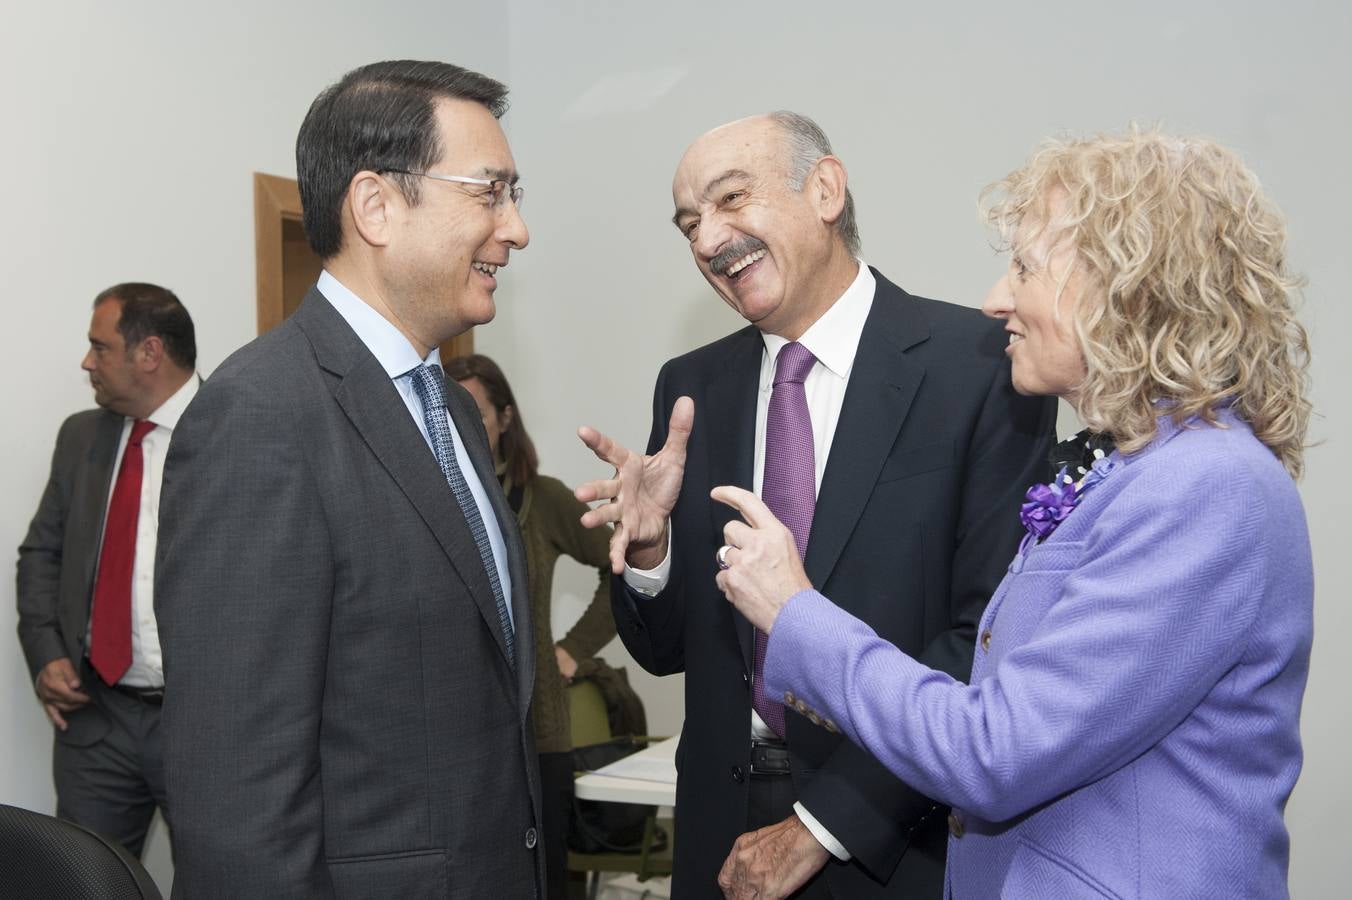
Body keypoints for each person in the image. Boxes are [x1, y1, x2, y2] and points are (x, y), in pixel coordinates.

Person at [713, 129, 1314, 899]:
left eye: (1026, 267)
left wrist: (795, 613)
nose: (997, 298)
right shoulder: (1130, 469)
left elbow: (993, 751)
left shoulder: (1206, 486)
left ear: (1125, 289)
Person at [576, 111, 1056, 898]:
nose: (706, 241)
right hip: (716, 829)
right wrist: (654, 554)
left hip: (892, 839)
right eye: (689, 224)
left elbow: (986, 639)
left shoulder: (979, 367)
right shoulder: (693, 386)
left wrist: (823, 826)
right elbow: (670, 651)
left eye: (731, 200)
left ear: (825, 189)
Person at [154, 60, 540, 897]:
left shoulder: (456, 413)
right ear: (376, 206)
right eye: (490, 191)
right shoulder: (259, 417)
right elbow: (235, 793)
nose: (516, 229)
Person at [17, 282, 197, 857]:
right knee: (83, 876)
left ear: (148, 353)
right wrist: (46, 654)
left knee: (219, 878)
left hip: (201, 722)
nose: (86, 362)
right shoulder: (81, 437)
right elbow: (41, 554)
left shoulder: (233, 430)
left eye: (100, 348)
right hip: (98, 720)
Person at [445, 352, 617, 900]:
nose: (463, 423)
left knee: (544, 885)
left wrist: (571, 650)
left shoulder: (542, 499)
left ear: (505, 418)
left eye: (475, 409)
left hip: (538, 734)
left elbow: (623, 568)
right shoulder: (427, 500)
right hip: (454, 739)